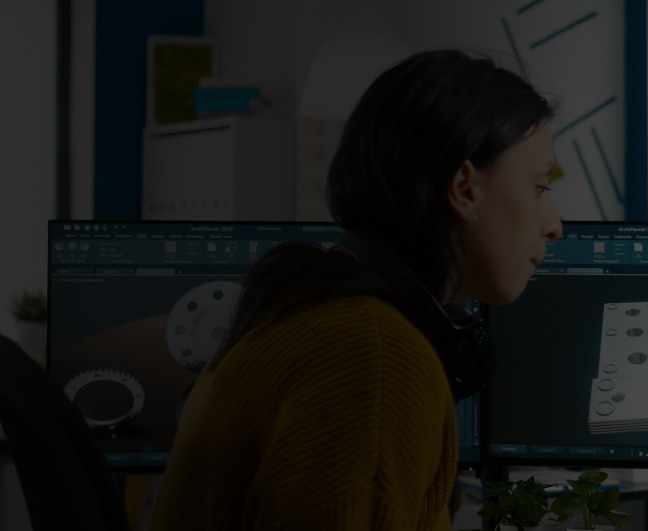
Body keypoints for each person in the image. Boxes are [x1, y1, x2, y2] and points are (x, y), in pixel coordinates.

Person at [150, 49, 563, 530]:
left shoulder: (308, 310)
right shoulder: (375, 357)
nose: (553, 225)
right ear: (465, 189)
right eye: (539, 187)